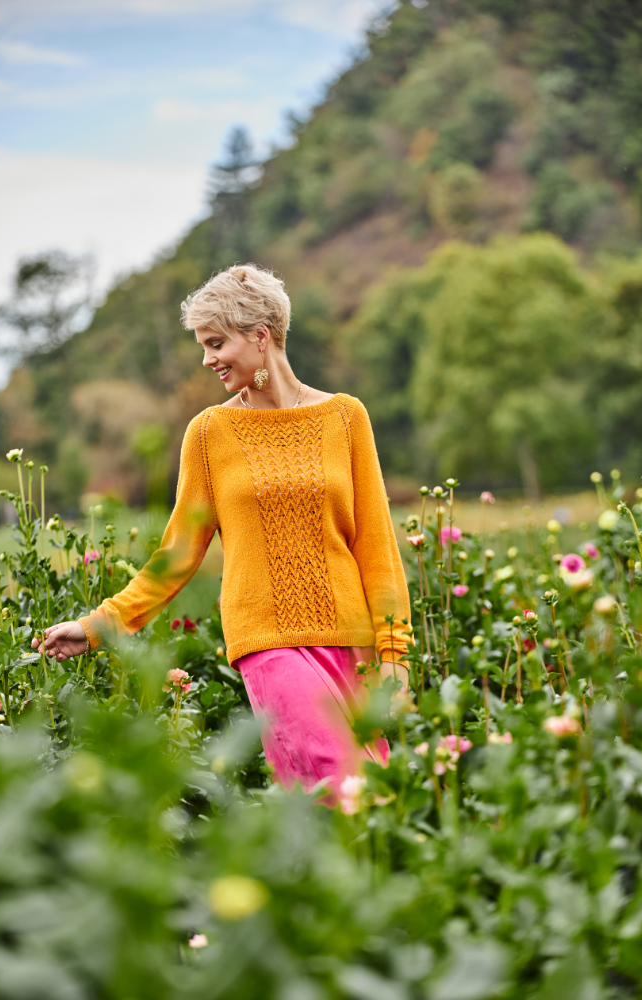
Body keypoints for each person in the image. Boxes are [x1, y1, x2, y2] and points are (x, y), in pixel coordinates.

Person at [33, 264, 411, 799]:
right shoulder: (210, 433)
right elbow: (177, 553)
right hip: (267, 643)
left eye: (216, 343)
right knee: (334, 784)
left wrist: (395, 655)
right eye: (202, 346)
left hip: (353, 644)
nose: (207, 359)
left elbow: (376, 545)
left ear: (261, 336)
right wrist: (100, 625)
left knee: (377, 794)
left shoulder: (346, 417)